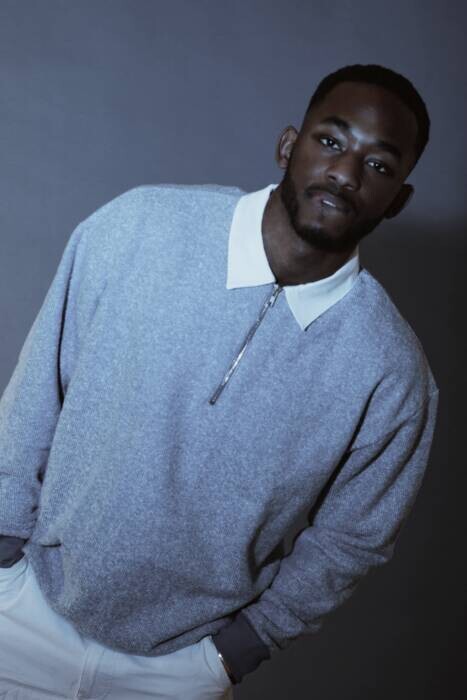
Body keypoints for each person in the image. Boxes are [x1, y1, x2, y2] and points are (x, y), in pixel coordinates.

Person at [0, 63, 439, 699]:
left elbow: (354, 537)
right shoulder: (139, 227)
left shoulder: (391, 369)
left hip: (177, 673)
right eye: (331, 141)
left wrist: (239, 651)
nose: (345, 173)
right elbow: (36, 390)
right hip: (22, 615)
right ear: (288, 145)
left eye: (378, 165)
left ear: (397, 199)